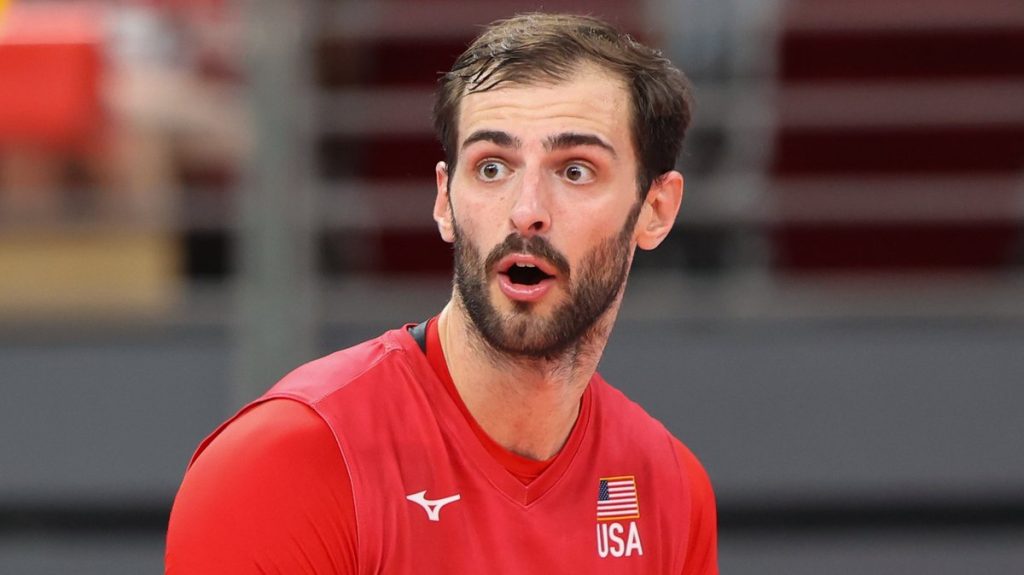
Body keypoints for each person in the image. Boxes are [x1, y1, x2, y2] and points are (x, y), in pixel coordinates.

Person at [166, 12, 717, 574]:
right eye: (492, 167)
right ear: (444, 200)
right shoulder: (286, 463)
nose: (526, 211)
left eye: (575, 170)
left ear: (656, 209)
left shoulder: (668, 486)